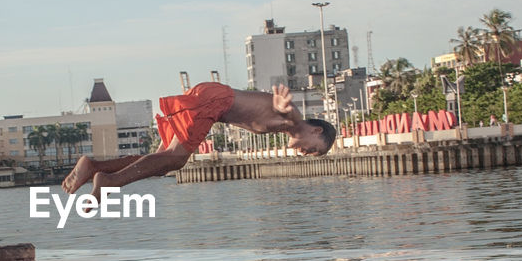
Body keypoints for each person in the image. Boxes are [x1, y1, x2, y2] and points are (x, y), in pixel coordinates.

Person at [62, 81, 336, 195]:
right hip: (215, 101)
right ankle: (110, 182)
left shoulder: (285, 126)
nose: (306, 154)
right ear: (316, 131)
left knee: (162, 162)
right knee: (178, 159)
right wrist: (283, 104)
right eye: (314, 150)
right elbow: (286, 110)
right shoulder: (295, 120)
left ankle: (95, 167)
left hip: (212, 100)